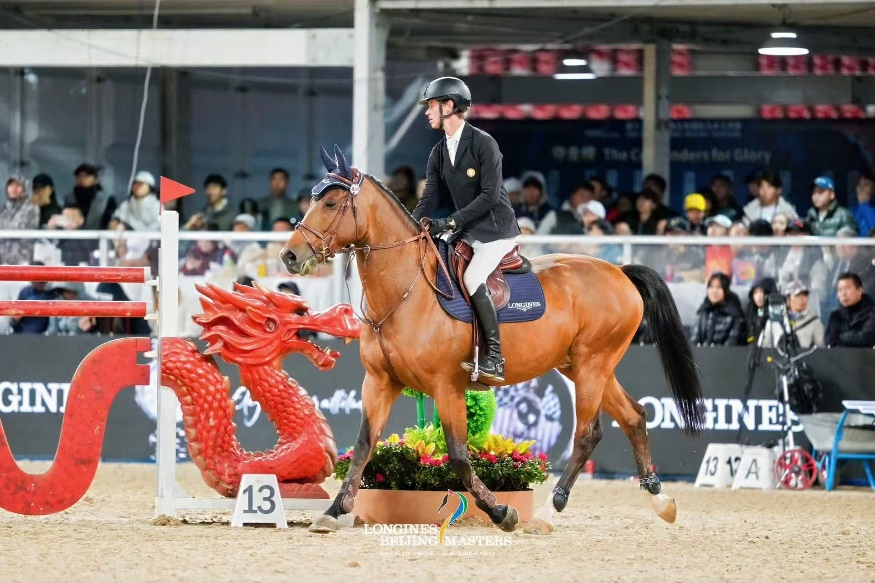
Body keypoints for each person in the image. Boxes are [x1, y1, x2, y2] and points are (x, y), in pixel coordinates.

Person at [412, 76, 521, 383]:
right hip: (467, 229)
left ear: (450, 105)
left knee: (473, 276)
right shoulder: (438, 151)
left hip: (495, 229)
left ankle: (495, 358)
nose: (427, 112)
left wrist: (450, 222)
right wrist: (414, 224)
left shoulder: (484, 143)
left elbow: (489, 196)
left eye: (432, 105)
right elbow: (430, 195)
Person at [759, 280, 825, 349]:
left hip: (804, 358)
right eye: (798, 296)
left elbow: (821, 350)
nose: (802, 299)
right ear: (788, 299)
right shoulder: (774, 320)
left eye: (805, 295)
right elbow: (762, 346)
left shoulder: (814, 321)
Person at [825, 272, 875, 347]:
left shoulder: (872, 312)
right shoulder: (835, 316)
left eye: (847, 288)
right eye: (840, 290)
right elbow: (830, 343)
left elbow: (866, 338)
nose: (843, 294)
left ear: (859, 290)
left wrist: (841, 336)